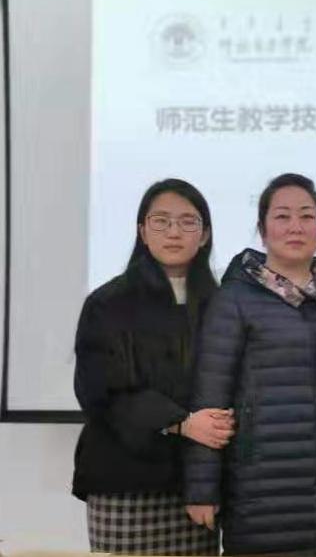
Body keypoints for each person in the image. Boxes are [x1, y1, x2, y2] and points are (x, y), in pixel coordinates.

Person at [184, 173, 316, 556]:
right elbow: (209, 398)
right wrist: (202, 488)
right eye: (282, 216)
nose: (295, 226)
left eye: (307, 216)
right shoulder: (234, 300)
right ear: (263, 229)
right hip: (259, 490)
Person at [73, 178, 232, 555]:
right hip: (123, 482)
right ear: (142, 232)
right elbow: (100, 392)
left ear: (205, 235)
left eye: (188, 222)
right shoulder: (108, 303)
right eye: (161, 221)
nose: (174, 232)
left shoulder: (223, 305)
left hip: (195, 487)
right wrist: (182, 422)